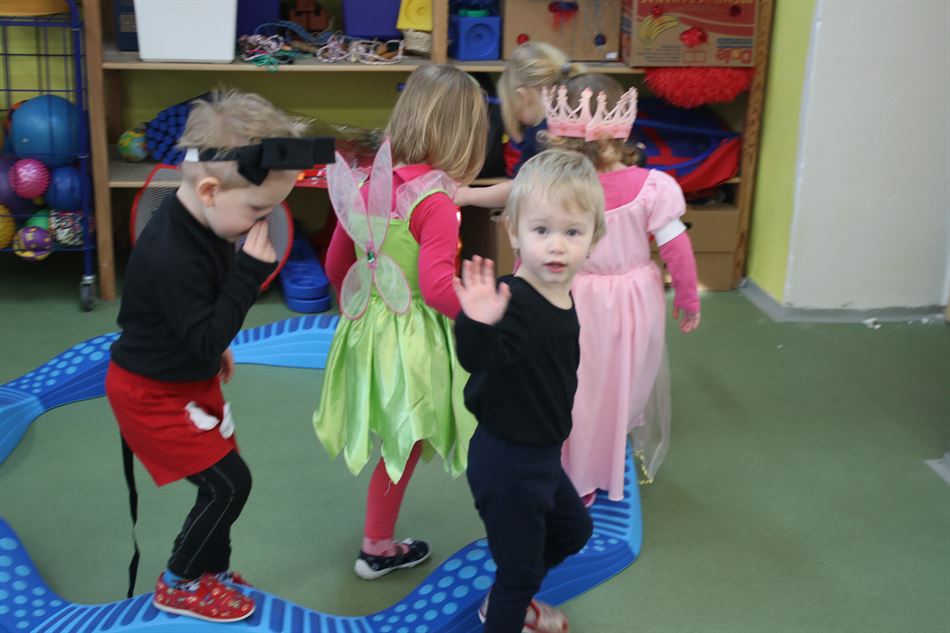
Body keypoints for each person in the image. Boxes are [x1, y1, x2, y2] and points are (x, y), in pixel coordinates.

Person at [106, 89, 329, 622]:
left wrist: (215, 347)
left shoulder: (204, 220)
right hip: (150, 391)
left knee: (222, 477)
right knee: (228, 483)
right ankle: (179, 581)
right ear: (209, 190)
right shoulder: (171, 252)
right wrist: (249, 277)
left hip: (185, 373)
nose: (262, 224)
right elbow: (202, 323)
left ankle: (213, 571)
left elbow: (198, 321)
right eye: (257, 210)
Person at [313, 64, 487, 580]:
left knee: (396, 438)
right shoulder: (435, 203)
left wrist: (366, 306)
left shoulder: (369, 184)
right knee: (406, 440)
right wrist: (483, 318)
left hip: (367, 328)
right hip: (412, 337)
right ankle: (376, 547)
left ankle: (378, 542)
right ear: (464, 136)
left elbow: (334, 267)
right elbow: (436, 288)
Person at [454, 149, 605, 632]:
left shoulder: (559, 289)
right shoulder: (513, 301)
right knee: (518, 573)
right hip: (507, 461)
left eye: (572, 232)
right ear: (514, 232)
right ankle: (509, 604)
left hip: (541, 455)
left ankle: (508, 596)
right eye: (541, 230)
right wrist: (478, 321)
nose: (556, 246)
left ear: (594, 238)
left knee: (574, 530)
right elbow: (477, 358)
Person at [542, 74, 701, 502]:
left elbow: (533, 245)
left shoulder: (555, 187)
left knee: (577, 387)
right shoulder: (652, 187)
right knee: (622, 381)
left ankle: (577, 471)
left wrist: (525, 290)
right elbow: (676, 248)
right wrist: (687, 298)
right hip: (633, 301)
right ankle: (600, 461)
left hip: (572, 298)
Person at [454, 42, 585, 208]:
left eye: (513, 107)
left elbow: (524, 188)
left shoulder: (542, 135)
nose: (516, 117)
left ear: (524, 96)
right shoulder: (575, 122)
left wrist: (469, 195)